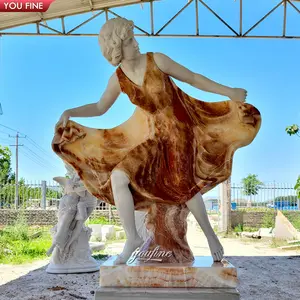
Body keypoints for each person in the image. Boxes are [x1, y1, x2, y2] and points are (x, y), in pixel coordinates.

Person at [54, 17, 259, 264]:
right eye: (130, 41)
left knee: (184, 185)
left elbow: (193, 78)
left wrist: (229, 92)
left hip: (181, 132)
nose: (136, 43)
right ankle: (132, 238)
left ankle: (211, 237)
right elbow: (100, 107)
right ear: (117, 48)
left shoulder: (157, 60)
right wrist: (69, 112)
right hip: (156, 137)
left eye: (134, 38)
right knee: (119, 177)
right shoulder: (118, 79)